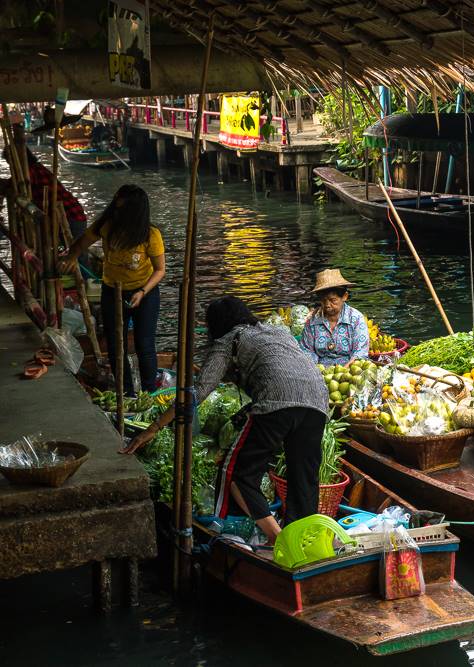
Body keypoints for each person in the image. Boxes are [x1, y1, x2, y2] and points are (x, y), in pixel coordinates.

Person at [123, 296, 329, 542]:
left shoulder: (229, 340)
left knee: (239, 476)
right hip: (318, 400)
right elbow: (286, 371)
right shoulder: (277, 331)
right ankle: (306, 540)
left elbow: (197, 392)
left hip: (277, 403)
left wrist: (155, 427)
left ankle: (279, 539)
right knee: (304, 479)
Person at [61, 185, 164, 394]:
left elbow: (160, 270)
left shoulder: (150, 235)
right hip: (112, 291)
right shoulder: (106, 226)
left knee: (144, 345)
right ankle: (126, 393)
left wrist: (142, 292)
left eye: (121, 211)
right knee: (117, 346)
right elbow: (82, 243)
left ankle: (150, 393)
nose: (116, 214)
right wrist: (72, 256)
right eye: (115, 209)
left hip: (145, 293)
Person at [299, 269, 370, 366]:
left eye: (333, 300)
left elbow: (360, 353)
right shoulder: (312, 321)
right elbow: (306, 351)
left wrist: (345, 371)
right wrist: (316, 370)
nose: (327, 305)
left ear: (344, 297)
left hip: (350, 371)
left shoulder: (356, 319)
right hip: (319, 371)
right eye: (323, 300)